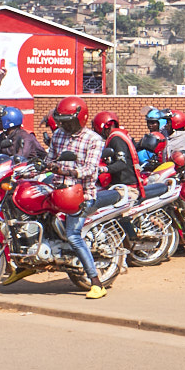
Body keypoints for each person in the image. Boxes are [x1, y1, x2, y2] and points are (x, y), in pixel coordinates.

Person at [46, 97, 108, 299]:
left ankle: (96, 282)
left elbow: (90, 170)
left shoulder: (94, 139)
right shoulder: (57, 134)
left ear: (81, 119)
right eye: (61, 120)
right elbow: (49, 160)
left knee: (73, 235)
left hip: (82, 195)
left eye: (67, 121)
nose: (63, 124)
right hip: (57, 191)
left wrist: (62, 169)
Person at [92, 111, 139, 191]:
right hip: (118, 184)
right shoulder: (117, 136)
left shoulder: (116, 139)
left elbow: (121, 163)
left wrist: (103, 169)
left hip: (125, 187)